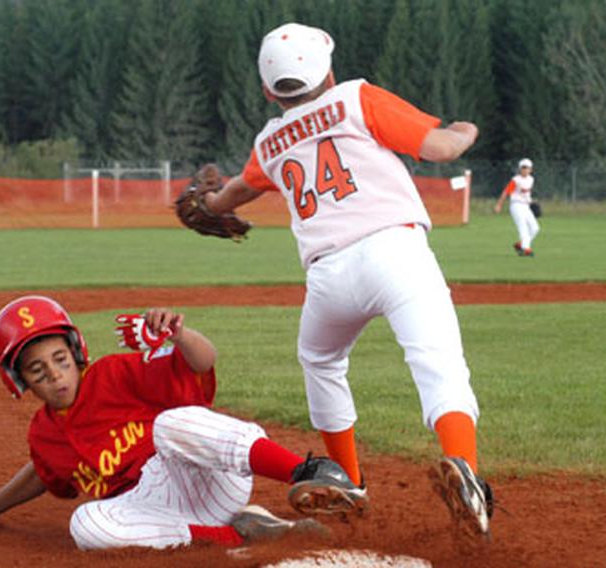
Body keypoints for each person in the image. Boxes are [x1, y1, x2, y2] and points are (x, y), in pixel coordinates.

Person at [200, 23, 493, 539]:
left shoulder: (269, 142)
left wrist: (206, 202)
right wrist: (468, 129)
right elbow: (441, 148)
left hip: (329, 277)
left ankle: (350, 481)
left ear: (270, 91)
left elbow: (233, 194)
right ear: (329, 72)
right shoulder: (354, 98)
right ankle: (463, 467)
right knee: (437, 363)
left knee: (321, 360)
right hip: (395, 253)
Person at [0, 295, 364, 551]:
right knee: (85, 524)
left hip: (206, 478)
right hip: (161, 510)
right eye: (38, 371)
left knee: (169, 424)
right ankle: (243, 533)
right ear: (20, 381)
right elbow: (42, 473)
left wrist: (179, 335)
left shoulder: (113, 373)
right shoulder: (44, 435)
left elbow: (203, 362)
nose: (55, 375)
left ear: (76, 352)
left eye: (60, 360)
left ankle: (306, 471)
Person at [494, 158, 540, 257]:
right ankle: (526, 249)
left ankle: (520, 245)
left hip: (526, 206)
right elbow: (506, 192)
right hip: (516, 205)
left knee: (535, 228)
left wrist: (532, 201)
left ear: (531, 169)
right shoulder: (516, 180)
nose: (525, 169)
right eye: (523, 167)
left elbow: (527, 194)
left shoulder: (531, 179)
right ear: (520, 169)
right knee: (523, 227)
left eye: (527, 167)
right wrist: (499, 205)